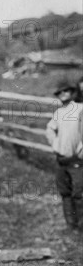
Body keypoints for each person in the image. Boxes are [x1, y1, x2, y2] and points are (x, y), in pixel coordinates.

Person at [46, 79, 83, 231]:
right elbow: (49, 129)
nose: (63, 94)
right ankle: (71, 226)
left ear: (72, 92)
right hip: (61, 160)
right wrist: (55, 145)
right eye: (59, 92)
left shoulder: (80, 108)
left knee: (78, 193)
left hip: (77, 160)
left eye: (66, 91)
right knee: (65, 192)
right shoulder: (59, 112)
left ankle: (81, 226)